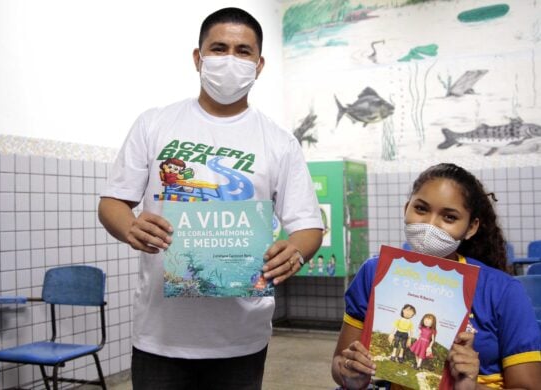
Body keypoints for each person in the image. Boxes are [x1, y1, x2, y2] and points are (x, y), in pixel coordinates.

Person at [98, 7, 323, 390]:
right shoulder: (154, 123)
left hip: (242, 336)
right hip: (160, 336)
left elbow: (308, 225)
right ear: (198, 58)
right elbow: (112, 204)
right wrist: (131, 227)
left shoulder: (279, 142)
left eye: (242, 51)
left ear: (259, 64)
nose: (230, 60)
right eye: (218, 48)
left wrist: (296, 251)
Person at [332, 163, 541, 390]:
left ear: (471, 228)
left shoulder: (503, 290)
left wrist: (469, 386)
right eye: (421, 209)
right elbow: (339, 364)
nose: (430, 226)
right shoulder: (375, 273)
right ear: (406, 209)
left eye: (449, 217)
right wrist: (351, 375)